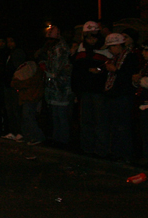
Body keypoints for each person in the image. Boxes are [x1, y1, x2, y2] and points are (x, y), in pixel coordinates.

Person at [71, 21, 110, 157]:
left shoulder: (105, 49)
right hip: (85, 91)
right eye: (88, 37)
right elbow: (76, 71)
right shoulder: (81, 48)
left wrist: (99, 70)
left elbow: (110, 68)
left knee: (100, 121)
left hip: (99, 91)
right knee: (86, 120)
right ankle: (87, 148)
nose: (90, 40)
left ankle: (101, 149)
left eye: (93, 36)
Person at [35, 26, 74, 147]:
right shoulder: (51, 48)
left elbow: (57, 69)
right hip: (53, 87)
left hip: (61, 87)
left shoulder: (61, 49)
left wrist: (46, 69)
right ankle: (57, 138)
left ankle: (63, 140)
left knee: (61, 115)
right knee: (55, 115)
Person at [103, 33, 138, 162]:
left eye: (111, 47)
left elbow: (129, 77)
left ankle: (126, 154)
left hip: (123, 96)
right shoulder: (114, 58)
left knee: (123, 126)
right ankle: (116, 152)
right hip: (113, 95)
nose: (110, 50)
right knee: (115, 126)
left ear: (118, 45)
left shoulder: (130, 57)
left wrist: (115, 71)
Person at [10, 60, 45, 146]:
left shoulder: (30, 70)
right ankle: (28, 136)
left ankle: (37, 136)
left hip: (30, 97)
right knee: (26, 117)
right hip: (29, 96)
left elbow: (16, 83)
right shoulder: (32, 68)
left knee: (28, 116)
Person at [2, 36, 26, 141]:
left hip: (14, 86)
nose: (9, 44)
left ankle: (20, 132)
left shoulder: (18, 53)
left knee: (16, 109)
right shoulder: (10, 53)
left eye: (11, 41)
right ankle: (13, 131)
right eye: (8, 42)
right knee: (10, 110)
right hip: (9, 85)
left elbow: (18, 69)